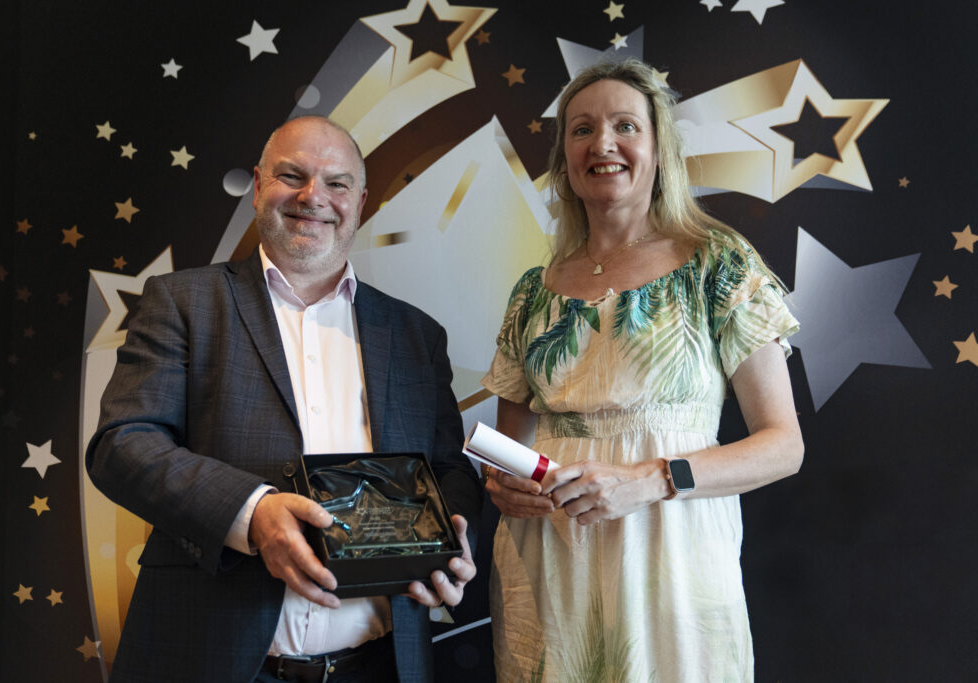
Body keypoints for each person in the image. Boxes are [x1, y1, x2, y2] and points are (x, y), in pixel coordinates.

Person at [86, 115, 482, 683]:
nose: (312, 196)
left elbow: (448, 470)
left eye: (336, 183)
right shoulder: (183, 301)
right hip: (210, 660)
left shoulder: (415, 334)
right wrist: (252, 512)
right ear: (257, 186)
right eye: (291, 176)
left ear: (360, 203)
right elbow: (123, 444)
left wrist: (452, 537)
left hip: (381, 666)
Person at [480, 59, 804, 682]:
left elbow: (783, 447)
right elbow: (508, 454)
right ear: (565, 159)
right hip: (548, 569)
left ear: (660, 150)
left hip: (673, 564)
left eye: (625, 125)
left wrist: (651, 478)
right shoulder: (532, 293)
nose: (602, 143)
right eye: (582, 129)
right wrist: (503, 484)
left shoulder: (718, 264)